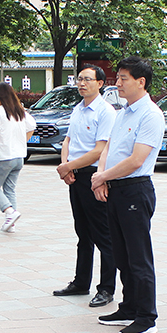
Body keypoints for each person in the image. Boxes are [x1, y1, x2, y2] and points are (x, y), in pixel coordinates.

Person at [90, 56, 164, 333]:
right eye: (118, 77)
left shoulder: (151, 115)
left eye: (123, 78)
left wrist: (102, 177)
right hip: (115, 188)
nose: (117, 83)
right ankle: (129, 307)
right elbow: (108, 148)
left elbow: (136, 160)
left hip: (135, 189)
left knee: (138, 257)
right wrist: (101, 176)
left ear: (141, 82)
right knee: (122, 254)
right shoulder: (123, 113)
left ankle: (147, 317)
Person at [54, 65, 117, 308]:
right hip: (75, 175)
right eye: (79, 79)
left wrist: (69, 166)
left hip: (93, 175)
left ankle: (107, 288)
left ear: (100, 83)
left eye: (87, 79)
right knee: (82, 232)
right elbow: (68, 140)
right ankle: (81, 282)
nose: (82, 83)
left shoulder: (105, 111)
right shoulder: (78, 109)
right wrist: (65, 166)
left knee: (103, 235)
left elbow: (100, 150)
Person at [0, 82, 36, 232]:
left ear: (0, 95)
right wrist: (21, 142)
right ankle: (11, 223)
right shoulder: (19, 111)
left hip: (4, 157)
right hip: (19, 157)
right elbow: (32, 126)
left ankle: (9, 212)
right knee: (9, 189)